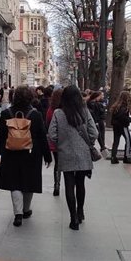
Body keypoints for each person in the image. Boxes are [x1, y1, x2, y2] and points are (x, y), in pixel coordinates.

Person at [0, 85, 52, 227]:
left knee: (14, 183)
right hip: (31, 153)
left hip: (10, 153)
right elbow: (42, 136)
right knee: (29, 181)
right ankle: (26, 209)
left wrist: (0, 151)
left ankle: (18, 213)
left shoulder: (6, 113)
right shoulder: (35, 114)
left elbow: (0, 134)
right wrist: (47, 155)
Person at [48, 85, 98, 230]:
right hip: (83, 153)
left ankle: (73, 219)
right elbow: (94, 133)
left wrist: (61, 143)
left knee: (69, 185)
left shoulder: (58, 113)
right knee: (81, 183)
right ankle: (80, 211)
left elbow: (52, 134)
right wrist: (88, 143)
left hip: (65, 153)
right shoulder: (85, 111)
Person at [109, 91, 131, 164]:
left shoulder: (116, 106)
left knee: (116, 141)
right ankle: (126, 157)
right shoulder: (125, 107)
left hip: (116, 126)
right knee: (128, 140)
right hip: (123, 126)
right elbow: (124, 118)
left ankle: (113, 157)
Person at [46, 88, 63, 196]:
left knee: (57, 163)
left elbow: (48, 124)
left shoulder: (50, 110)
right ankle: (70, 184)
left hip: (55, 141)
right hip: (66, 141)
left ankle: (56, 185)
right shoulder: (66, 110)